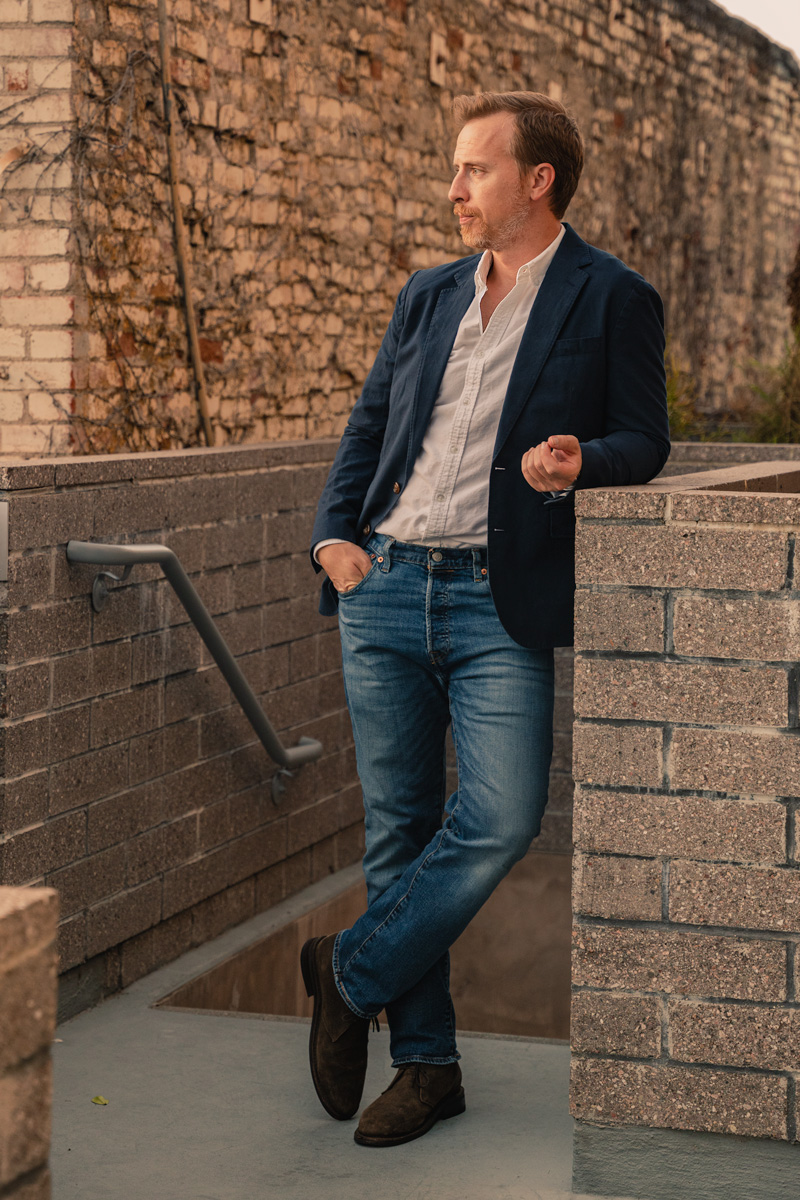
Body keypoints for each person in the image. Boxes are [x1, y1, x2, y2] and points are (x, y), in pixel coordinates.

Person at [301, 90, 670, 1148]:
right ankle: (425, 1068)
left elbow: (642, 438)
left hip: (494, 596)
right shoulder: (425, 295)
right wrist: (334, 539)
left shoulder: (611, 297)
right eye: (455, 169)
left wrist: (579, 463)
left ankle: (347, 970)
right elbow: (370, 422)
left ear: (535, 179)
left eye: (472, 169)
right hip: (383, 585)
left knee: (500, 818)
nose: (452, 188)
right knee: (398, 829)